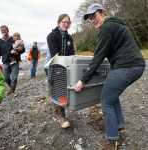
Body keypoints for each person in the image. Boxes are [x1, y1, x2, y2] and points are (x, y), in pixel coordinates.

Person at [73, 3, 145, 149]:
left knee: (106, 100)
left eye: (94, 16)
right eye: (90, 18)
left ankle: (112, 140)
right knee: (112, 95)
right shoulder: (116, 25)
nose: (92, 20)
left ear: (102, 13)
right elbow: (107, 52)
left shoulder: (106, 27)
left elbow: (98, 57)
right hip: (136, 65)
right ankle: (119, 126)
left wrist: (82, 80)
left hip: (126, 66)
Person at [47, 14, 75, 128]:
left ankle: (63, 111)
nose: (66, 24)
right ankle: (60, 116)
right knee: (55, 90)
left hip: (66, 67)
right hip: (54, 66)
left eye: (68, 22)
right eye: (64, 22)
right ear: (58, 22)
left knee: (64, 89)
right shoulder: (51, 36)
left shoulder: (69, 38)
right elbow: (55, 55)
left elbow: (72, 53)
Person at [0, 25, 25, 95]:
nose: (3, 32)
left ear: (8, 30)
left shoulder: (13, 39)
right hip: (5, 62)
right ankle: (11, 88)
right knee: (6, 78)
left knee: (14, 78)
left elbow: (22, 49)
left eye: (4, 30)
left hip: (15, 61)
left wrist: (18, 52)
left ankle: (12, 90)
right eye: (2, 31)